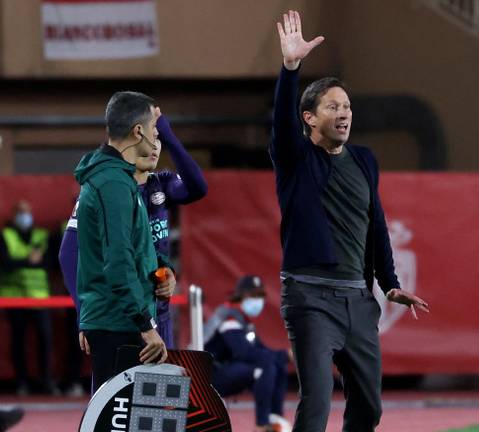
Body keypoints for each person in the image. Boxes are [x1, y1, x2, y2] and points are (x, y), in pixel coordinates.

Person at [271, 10, 430, 431]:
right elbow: (281, 127)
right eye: (332, 106)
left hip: (359, 301)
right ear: (309, 118)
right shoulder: (296, 159)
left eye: (347, 106)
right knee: (317, 403)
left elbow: (375, 224)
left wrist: (389, 281)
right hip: (309, 298)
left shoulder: (364, 160)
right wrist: (291, 68)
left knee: (369, 410)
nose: (344, 113)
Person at [59, 107, 207, 350]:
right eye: (152, 137)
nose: (155, 146)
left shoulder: (161, 185)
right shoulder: (106, 190)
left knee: (158, 387)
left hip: (158, 312)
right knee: (118, 387)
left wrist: (166, 269)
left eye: (159, 139)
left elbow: (198, 187)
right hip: (121, 317)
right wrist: (84, 317)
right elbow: (68, 253)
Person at [73, 91, 170, 393]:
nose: (156, 139)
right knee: (119, 422)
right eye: (154, 131)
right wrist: (146, 326)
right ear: (138, 131)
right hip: (120, 324)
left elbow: (132, 251)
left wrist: (163, 269)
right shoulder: (113, 183)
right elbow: (117, 262)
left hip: (119, 319)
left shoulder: (120, 179)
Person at [203, 276, 291, 432]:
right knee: (265, 367)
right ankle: (262, 425)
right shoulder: (228, 315)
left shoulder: (244, 320)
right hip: (209, 375)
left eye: (261, 295)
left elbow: (261, 350)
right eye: (254, 295)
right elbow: (244, 353)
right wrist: (285, 355)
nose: (258, 300)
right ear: (241, 295)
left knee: (276, 365)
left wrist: (284, 356)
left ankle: (275, 418)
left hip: (228, 368)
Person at [0, 200, 56, 395]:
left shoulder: (41, 235)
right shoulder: (5, 236)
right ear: (13, 215)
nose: (25, 216)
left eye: (27, 212)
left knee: (45, 340)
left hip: (40, 298)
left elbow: (51, 262)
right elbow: (5, 263)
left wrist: (25, 263)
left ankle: (47, 381)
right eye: (20, 212)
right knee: (18, 342)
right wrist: (29, 261)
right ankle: (21, 382)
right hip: (14, 297)